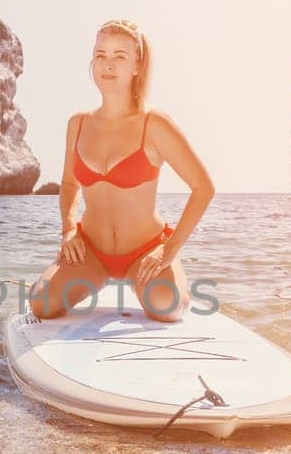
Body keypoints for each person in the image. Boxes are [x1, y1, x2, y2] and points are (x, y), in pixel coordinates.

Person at [28, 19, 215, 322]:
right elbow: (69, 183)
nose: (108, 65)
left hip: (144, 251)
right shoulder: (78, 124)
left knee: (166, 308)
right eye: (101, 55)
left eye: (120, 56)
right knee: (41, 305)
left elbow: (203, 188)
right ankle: (57, 280)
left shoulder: (154, 124)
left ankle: (174, 281)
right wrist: (69, 230)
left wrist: (168, 249)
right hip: (91, 252)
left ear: (137, 66)